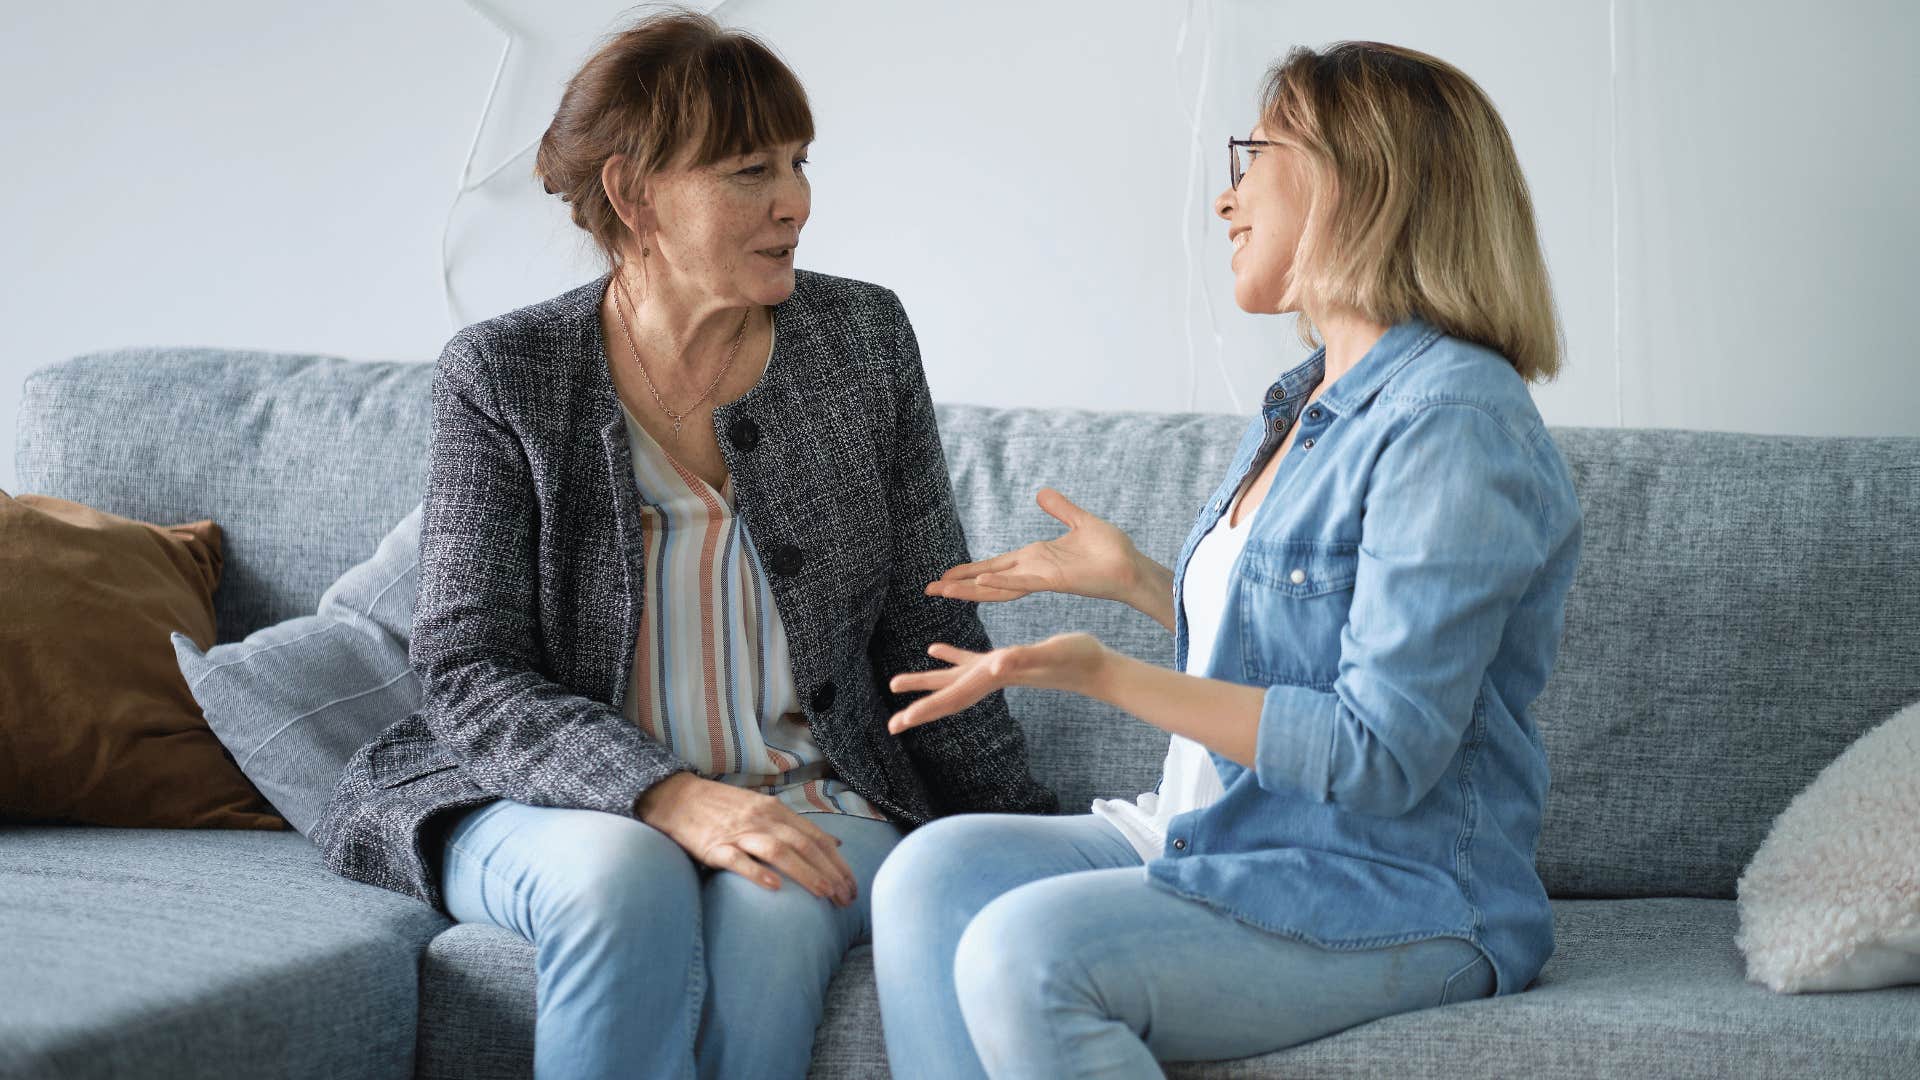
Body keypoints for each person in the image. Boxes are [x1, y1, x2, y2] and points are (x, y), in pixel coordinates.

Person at [309, 12, 1054, 1080]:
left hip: (809, 795)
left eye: (799, 163)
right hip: (549, 802)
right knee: (623, 874)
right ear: (634, 194)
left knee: (780, 899)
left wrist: (1035, 841)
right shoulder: (507, 372)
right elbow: (469, 673)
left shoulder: (862, 340)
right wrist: (663, 795)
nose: (794, 201)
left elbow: (930, 629)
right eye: (750, 170)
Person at [870, 41, 1582, 1079]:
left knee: (1027, 956)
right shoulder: (1307, 404)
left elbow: (1379, 753)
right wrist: (1142, 582)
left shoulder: (1452, 422)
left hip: (1386, 886)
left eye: (1255, 156)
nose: (1225, 199)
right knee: (931, 873)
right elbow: (1303, 657)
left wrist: (1111, 675)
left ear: (1356, 173)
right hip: (1224, 828)